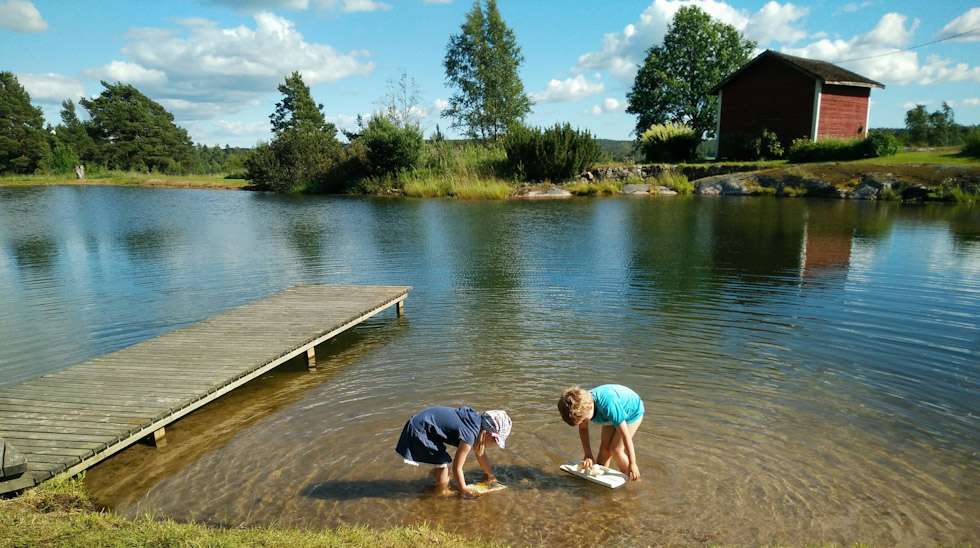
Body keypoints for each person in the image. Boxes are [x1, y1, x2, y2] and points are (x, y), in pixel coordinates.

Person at [395, 406, 511, 497]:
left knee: (442, 464)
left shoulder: (476, 423)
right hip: (420, 430)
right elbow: (457, 468)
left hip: (424, 424)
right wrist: (464, 489)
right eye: (495, 440)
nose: (494, 444)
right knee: (445, 466)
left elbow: (480, 454)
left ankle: (436, 480)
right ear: (487, 433)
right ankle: (440, 492)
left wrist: (490, 475)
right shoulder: (469, 435)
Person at [558, 384, 643, 481]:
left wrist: (633, 463)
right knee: (605, 448)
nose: (583, 423)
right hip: (611, 414)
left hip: (632, 412)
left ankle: (633, 478)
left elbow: (625, 436)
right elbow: (583, 430)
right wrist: (588, 454)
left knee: (616, 449)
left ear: (590, 407)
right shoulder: (581, 406)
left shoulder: (607, 406)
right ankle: (599, 477)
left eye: (584, 420)